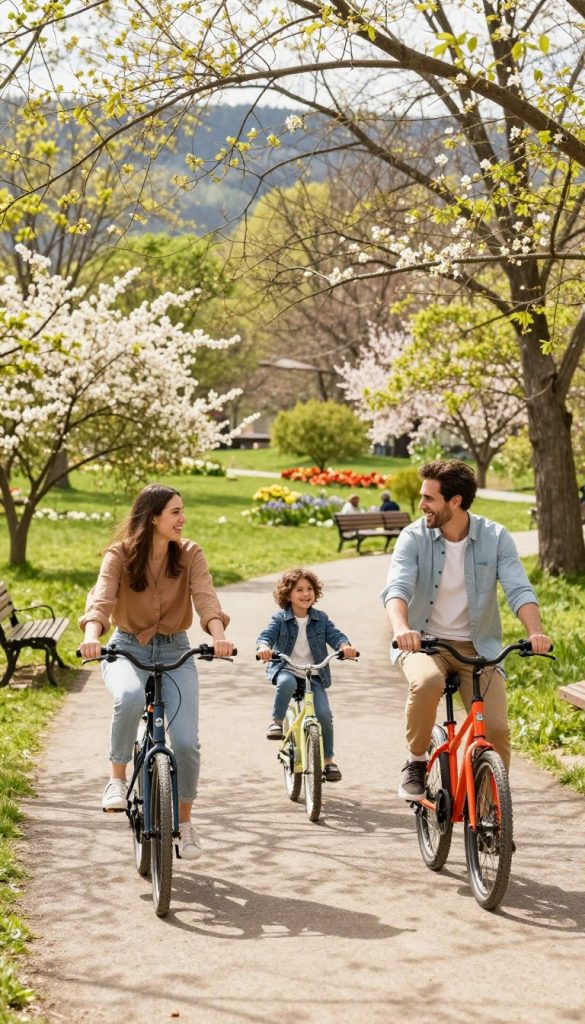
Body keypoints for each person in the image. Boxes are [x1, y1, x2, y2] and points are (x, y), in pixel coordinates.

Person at [381, 460, 551, 801]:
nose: (421, 505)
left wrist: (536, 632)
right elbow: (397, 587)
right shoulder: (414, 536)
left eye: (429, 498)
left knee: (497, 731)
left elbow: (519, 589)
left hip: (480, 647)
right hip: (424, 644)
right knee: (428, 682)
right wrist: (402, 628)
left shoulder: (496, 537)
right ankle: (416, 762)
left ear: (455, 501)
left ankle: (491, 815)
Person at [79, 483, 233, 860]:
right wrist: (90, 634)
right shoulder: (119, 555)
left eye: (183, 510)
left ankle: (183, 825)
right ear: (153, 517)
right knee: (130, 697)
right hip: (127, 647)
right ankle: (116, 781)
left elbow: (205, 596)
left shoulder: (191, 553)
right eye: (176, 512)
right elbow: (102, 598)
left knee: (185, 744)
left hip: (177, 649)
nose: (183, 519)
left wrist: (218, 635)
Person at [256, 568, 357, 782]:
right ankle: (276, 721)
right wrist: (264, 647)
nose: (305, 594)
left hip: (314, 674)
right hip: (288, 667)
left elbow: (335, 635)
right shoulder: (279, 619)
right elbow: (266, 636)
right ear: (287, 595)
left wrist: (344, 646)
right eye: (299, 590)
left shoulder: (320, 619)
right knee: (286, 682)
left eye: (309, 589)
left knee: (324, 715)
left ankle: (328, 761)